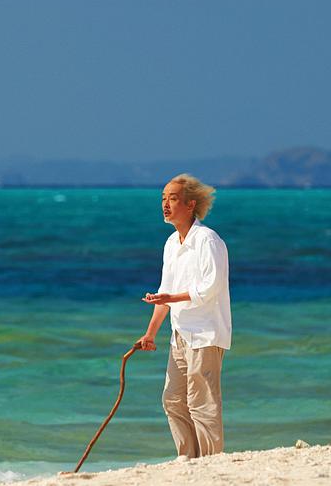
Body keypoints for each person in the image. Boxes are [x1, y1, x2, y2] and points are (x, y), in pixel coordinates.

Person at [136, 174, 232, 458]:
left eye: (173, 199)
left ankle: (210, 461)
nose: (165, 204)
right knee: (173, 400)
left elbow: (210, 287)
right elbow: (164, 293)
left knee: (202, 403)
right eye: (163, 198)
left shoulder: (208, 240)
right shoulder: (171, 243)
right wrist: (150, 333)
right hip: (179, 334)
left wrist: (171, 298)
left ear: (191, 205)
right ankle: (187, 458)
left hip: (205, 333)